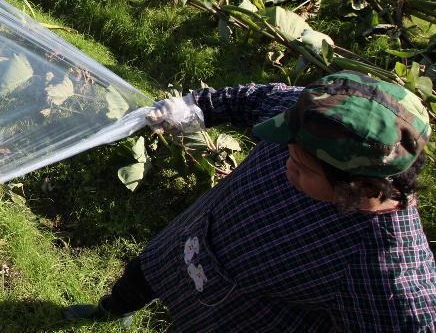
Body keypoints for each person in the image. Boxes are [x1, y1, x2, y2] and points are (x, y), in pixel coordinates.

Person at [66, 71, 436, 331]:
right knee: (144, 272)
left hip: (232, 314)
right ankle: (109, 313)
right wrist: (197, 109)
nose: (288, 163)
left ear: (360, 189)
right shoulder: (312, 118)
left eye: (303, 167)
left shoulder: (388, 274)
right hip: (194, 235)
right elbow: (256, 98)